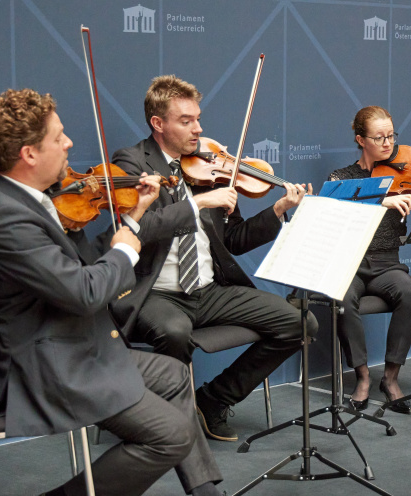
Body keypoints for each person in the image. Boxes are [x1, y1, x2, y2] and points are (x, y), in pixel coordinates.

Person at [0, 88, 273, 496]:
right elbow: (84, 291)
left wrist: (132, 220)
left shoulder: (35, 198)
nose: (69, 144)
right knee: (173, 434)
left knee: (173, 374)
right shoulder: (5, 219)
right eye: (59, 137)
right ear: (29, 153)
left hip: (79, 348)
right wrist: (127, 248)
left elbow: (83, 263)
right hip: (48, 368)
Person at [110, 75, 317, 441]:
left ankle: (213, 399)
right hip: (156, 292)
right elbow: (142, 227)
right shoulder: (131, 163)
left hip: (209, 289)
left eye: (198, 119)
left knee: (300, 323)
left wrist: (278, 209)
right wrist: (197, 203)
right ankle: (168, 426)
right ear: (158, 124)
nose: (198, 129)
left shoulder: (212, 171)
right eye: (186, 120)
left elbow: (234, 241)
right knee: (174, 332)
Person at [326, 105, 411, 414]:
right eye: (379, 137)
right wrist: (383, 200)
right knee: (342, 297)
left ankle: (391, 378)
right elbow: (339, 211)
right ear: (360, 139)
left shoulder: (403, 175)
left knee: (409, 293)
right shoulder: (342, 177)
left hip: (387, 263)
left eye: (391, 135)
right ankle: (363, 376)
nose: (387, 143)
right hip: (351, 263)